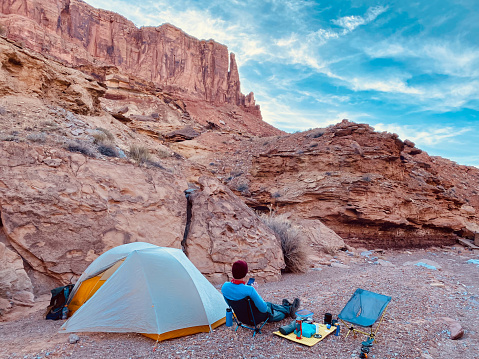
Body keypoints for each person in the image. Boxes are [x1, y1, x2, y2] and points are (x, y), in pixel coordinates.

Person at [221, 260, 300, 322]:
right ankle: (289, 310)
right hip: (256, 318)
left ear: (232, 272)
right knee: (272, 311)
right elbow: (263, 309)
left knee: (269, 304)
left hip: (242, 318)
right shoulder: (250, 290)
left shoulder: (224, 287)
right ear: (245, 273)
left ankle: (286, 306)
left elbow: (230, 303)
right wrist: (255, 292)